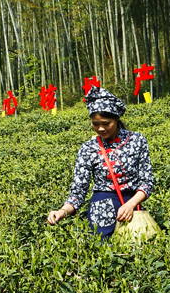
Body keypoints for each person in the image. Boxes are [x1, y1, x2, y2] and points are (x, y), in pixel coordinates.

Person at [47, 86, 155, 237]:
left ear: (117, 118)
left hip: (132, 207)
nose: (100, 128)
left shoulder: (137, 140)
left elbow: (147, 181)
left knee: (137, 249)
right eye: (95, 124)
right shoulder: (88, 149)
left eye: (106, 123)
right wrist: (62, 211)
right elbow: (78, 192)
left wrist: (131, 204)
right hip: (100, 213)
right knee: (104, 252)